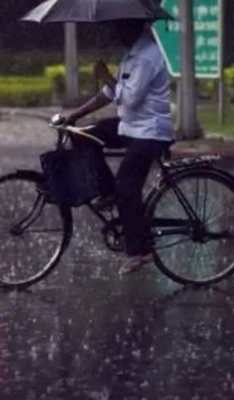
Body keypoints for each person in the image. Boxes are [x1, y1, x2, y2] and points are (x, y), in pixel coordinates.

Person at [60, 20, 174, 269]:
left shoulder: (147, 56)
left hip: (150, 132)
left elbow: (130, 98)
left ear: (133, 27)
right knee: (83, 136)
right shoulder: (132, 54)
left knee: (127, 187)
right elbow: (110, 94)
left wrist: (107, 77)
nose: (115, 33)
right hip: (131, 126)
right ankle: (108, 192)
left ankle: (140, 251)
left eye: (119, 28)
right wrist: (75, 116)